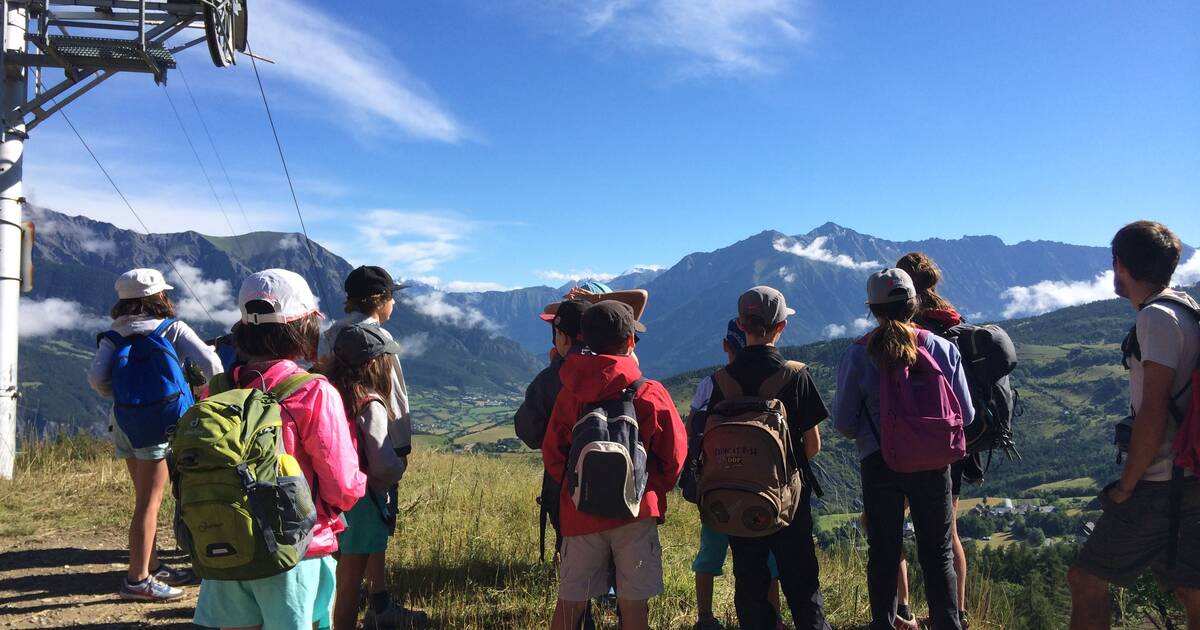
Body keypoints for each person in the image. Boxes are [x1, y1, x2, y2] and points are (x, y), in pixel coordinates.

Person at [192, 269, 366, 630]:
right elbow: (343, 485)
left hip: (227, 546)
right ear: (302, 325)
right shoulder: (312, 391)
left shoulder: (218, 389)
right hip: (295, 554)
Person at [1068, 221, 1200, 630]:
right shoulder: (1188, 310)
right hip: (1192, 474)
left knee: (1086, 578)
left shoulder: (1156, 319)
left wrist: (1127, 485)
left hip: (1161, 481)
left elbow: (1153, 412)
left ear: (1120, 264)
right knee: (1192, 591)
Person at [833, 268, 973, 630]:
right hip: (933, 463)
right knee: (937, 551)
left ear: (872, 309)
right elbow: (967, 415)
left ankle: (884, 623)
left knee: (883, 552)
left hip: (879, 464)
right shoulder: (942, 348)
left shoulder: (858, 355)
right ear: (914, 304)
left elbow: (845, 423)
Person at [542, 301, 686, 630]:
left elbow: (553, 454)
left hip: (580, 514)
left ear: (585, 341)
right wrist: (647, 489)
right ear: (630, 342)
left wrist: (576, 489)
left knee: (569, 606)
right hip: (635, 512)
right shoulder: (650, 393)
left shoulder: (570, 392)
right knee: (634, 609)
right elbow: (674, 457)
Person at [86, 268, 223, 601]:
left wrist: (123, 394)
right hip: (162, 425)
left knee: (142, 497)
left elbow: (97, 379)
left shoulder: (112, 337)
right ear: (158, 297)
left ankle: (152, 563)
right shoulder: (171, 329)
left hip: (125, 423)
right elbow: (211, 363)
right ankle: (138, 580)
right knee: (150, 503)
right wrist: (206, 392)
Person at [705, 287, 832, 630]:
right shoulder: (796, 374)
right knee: (802, 582)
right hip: (788, 501)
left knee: (749, 581)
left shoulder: (721, 381)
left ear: (740, 325)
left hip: (737, 496)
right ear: (782, 326)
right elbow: (813, 445)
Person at [321, 323, 427, 630]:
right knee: (350, 584)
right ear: (371, 363)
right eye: (385, 359)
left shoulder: (329, 394)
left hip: (329, 498)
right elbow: (382, 463)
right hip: (363, 504)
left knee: (332, 576)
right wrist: (399, 468)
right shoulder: (369, 402)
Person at [688, 318, 784, 630]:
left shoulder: (711, 383)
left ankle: (705, 617)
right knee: (769, 560)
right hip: (762, 486)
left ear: (726, 346)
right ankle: (774, 618)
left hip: (717, 484)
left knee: (709, 554)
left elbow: (692, 430)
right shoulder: (772, 380)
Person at [896, 251, 972, 628]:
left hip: (906, 443)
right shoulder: (953, 321)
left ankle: (903, 606)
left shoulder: (906, 327)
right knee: (947, 532)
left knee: (888, 523)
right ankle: (956, 612)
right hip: (951, 446)